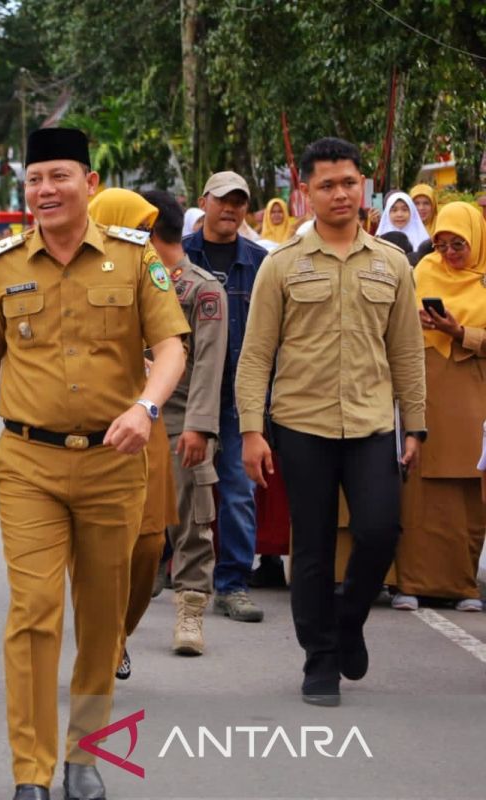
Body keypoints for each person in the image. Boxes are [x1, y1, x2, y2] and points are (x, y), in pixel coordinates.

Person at [0, 127, 188, 800]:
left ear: (89, 184)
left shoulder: (136, 260)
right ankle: (31, 769)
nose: (45, 190)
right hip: (28, 461)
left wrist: (145, 406)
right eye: (34, 180)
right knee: (33, 609)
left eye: (59, 177)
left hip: (115, 462)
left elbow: (172, 345)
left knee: (103, 612)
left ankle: (85, 751)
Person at [237, 137, 426, 706]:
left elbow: (408, 354)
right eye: (326, 185)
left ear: (362, 186)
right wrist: (251, 430)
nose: (339, 193)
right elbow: (256, 355)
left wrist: (414, 427)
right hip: (301, 425)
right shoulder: (282, 265)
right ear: (305, 194)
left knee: (380, 530)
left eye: (348, 182)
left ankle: (347, 622)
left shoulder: (392, 265)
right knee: (313, 547)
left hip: (371, 425)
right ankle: (319, 660)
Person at [84, 188, 179, 681]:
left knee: (148, 544)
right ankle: (100, 642)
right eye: (132, 227)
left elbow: (172, 341)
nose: (142, 238)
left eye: (145, 230)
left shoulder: (152, 269)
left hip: (145, 418)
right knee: (96, 547)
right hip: (83, 425)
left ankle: (120, 632)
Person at [143, 189, 228, 655]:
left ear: (150, 233)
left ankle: (190, 611)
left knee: (193, 524)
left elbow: (210, 365)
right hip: (129, 422)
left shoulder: (201, 289)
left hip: (179, 423)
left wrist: (200, 427)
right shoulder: (132, 283)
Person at [182, 170, 269, 623]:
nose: (231, 208)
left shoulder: (259, 261)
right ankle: (175, 571)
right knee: (177, 487)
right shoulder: (176, 256)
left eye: (239, 201)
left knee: (237, 491)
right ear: (205, 202)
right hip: (186, 396)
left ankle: (232, 584)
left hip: (239, 398)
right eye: (222, 200)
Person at [392, 202, 486, 613]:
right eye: (442, 243)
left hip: (471, 395)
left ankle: (463, 585)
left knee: (467, 489)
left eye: (458, 245)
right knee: (417, 488)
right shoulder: (420, 272)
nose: (448, 253)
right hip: (423, 389)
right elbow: (392, 323)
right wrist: (414, 319)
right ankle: (410, 582)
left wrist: (460, 332)